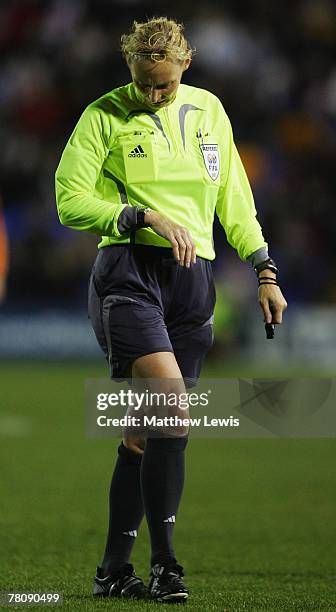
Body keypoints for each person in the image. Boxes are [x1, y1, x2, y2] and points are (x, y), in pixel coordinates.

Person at [55, 16, 287, 603]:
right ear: (129, 68)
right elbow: (69, 198)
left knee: (145, 434)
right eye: (141, 83)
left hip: (192, 282)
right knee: (172, 409)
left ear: (186, 63)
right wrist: (136, 214)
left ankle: (113, 571)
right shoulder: (104, 115)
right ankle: (165, 565)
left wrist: (264, 267)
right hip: (128, 273)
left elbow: (234, 194)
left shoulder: (210, 110)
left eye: (162, 84)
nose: (151, 95)